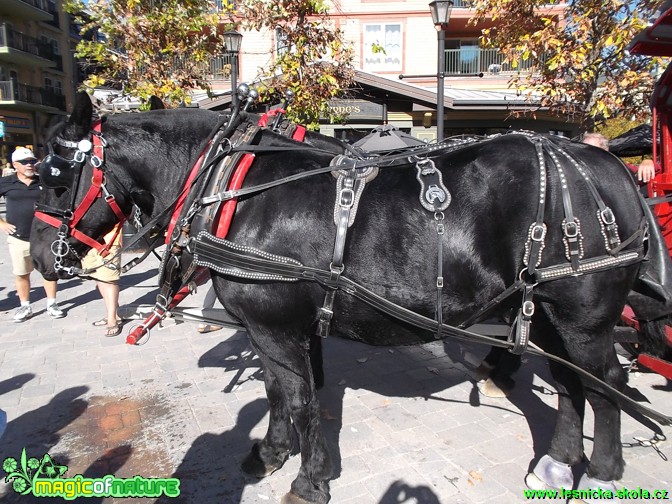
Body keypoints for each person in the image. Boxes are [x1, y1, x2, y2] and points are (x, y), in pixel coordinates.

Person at [0, 147, 65, 322]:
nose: (29, 165)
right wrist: (2, 223)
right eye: (24, 162)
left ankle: (52, 304)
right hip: (18, 237)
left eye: (31, 161)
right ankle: (25, 306)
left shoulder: (44, 181)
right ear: (15, 165)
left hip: (44, 236)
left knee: (49, 272)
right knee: (21, 273)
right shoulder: (6, 182)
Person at [82, 226, 123, 336]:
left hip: (108, 240)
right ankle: (114, 313)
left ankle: (112, 320)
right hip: (86, 239)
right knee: (98, 278)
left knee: (109, 280)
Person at [581, 132, 658, 184]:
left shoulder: (619, 168)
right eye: (584, 149)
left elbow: (637, 173)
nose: (586, 153)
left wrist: (648, 162)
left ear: (605, 150)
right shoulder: (578, 169)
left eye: (591, 149)